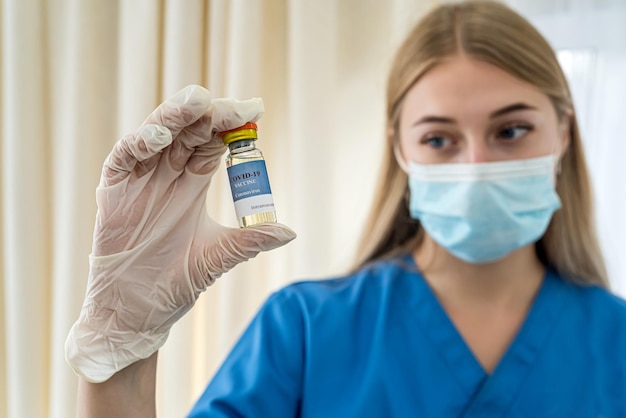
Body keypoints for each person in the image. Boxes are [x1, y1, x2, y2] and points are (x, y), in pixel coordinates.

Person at [66, 1, 626, 416]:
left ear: (564, 133)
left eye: (512, 129)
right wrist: (121, 355)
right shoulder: (305, 331)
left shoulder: (615, 341)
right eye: (438, 139)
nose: (474, 163)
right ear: (400, 147)